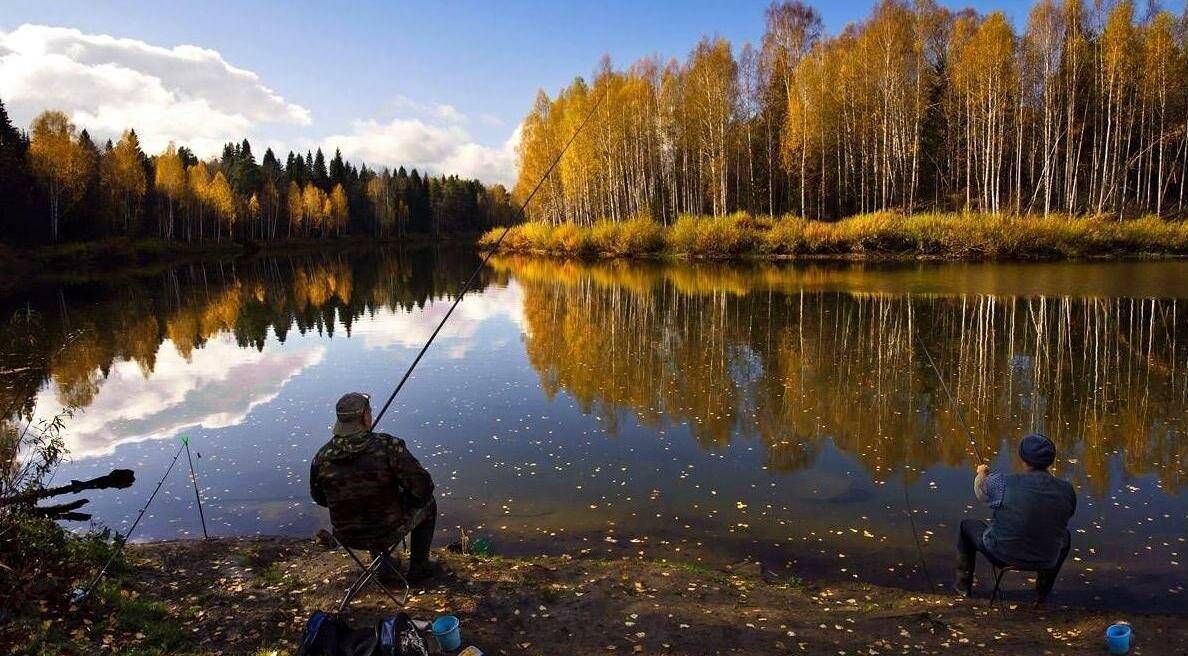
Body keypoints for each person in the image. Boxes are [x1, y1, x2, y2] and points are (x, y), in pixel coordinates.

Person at [310, 392, 438, 583]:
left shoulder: (321, 457)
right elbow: (424, 487)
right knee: (428, 504)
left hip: (347, 536)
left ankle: (385, 566)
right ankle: (419, 567)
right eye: (369, 411)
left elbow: (320, 498)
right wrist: (402, 496)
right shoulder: (388, 447)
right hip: (387, 531)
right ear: (364, 417)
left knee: (369, 505)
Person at [955, 433, 1076, 604]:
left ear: (1022, 458)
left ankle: (962, 588)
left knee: (966, 526)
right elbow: (1066, 514)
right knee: (1065, 537)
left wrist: (982, 473)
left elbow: (980, 492)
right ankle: (1042, 594)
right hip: (1046, 559)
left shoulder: (1003, 482)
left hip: (1001, 554)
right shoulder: (1067, 490)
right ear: (1051, 460)